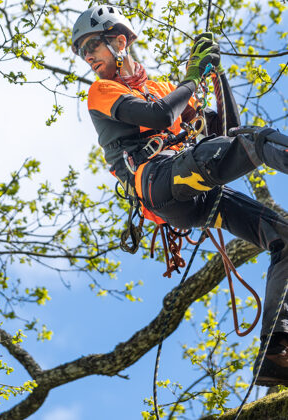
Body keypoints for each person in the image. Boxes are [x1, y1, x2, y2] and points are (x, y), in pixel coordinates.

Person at [71, 5, 288, 386]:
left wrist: (217, 76)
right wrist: (192, 77)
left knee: (283, 237)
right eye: (83, 51)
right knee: (255, 142)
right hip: (158, 181)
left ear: (119, 42)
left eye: (92, 46)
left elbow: (228, 134)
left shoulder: (161, 89)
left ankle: (276, 352)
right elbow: (158, 116)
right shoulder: (102, 91)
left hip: (193, 196)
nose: (87, 56)